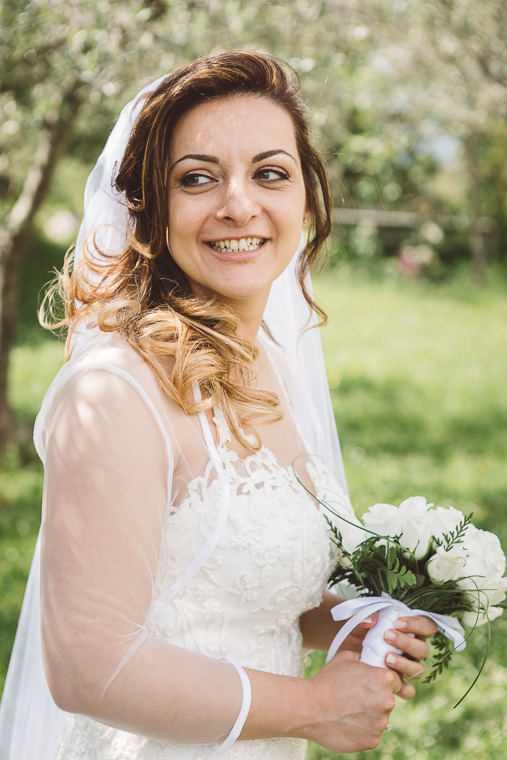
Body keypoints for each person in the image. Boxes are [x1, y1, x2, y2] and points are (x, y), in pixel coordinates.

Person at [0, 50, 436, 760]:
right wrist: (315, 706)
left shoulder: (265, 359)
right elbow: (88, 668)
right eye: (197, 178)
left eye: (269, 172)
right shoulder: (114, 394)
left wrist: (345, 620)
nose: (239, 204)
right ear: (149, 206)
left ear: (305, 199)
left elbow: (218, 589)